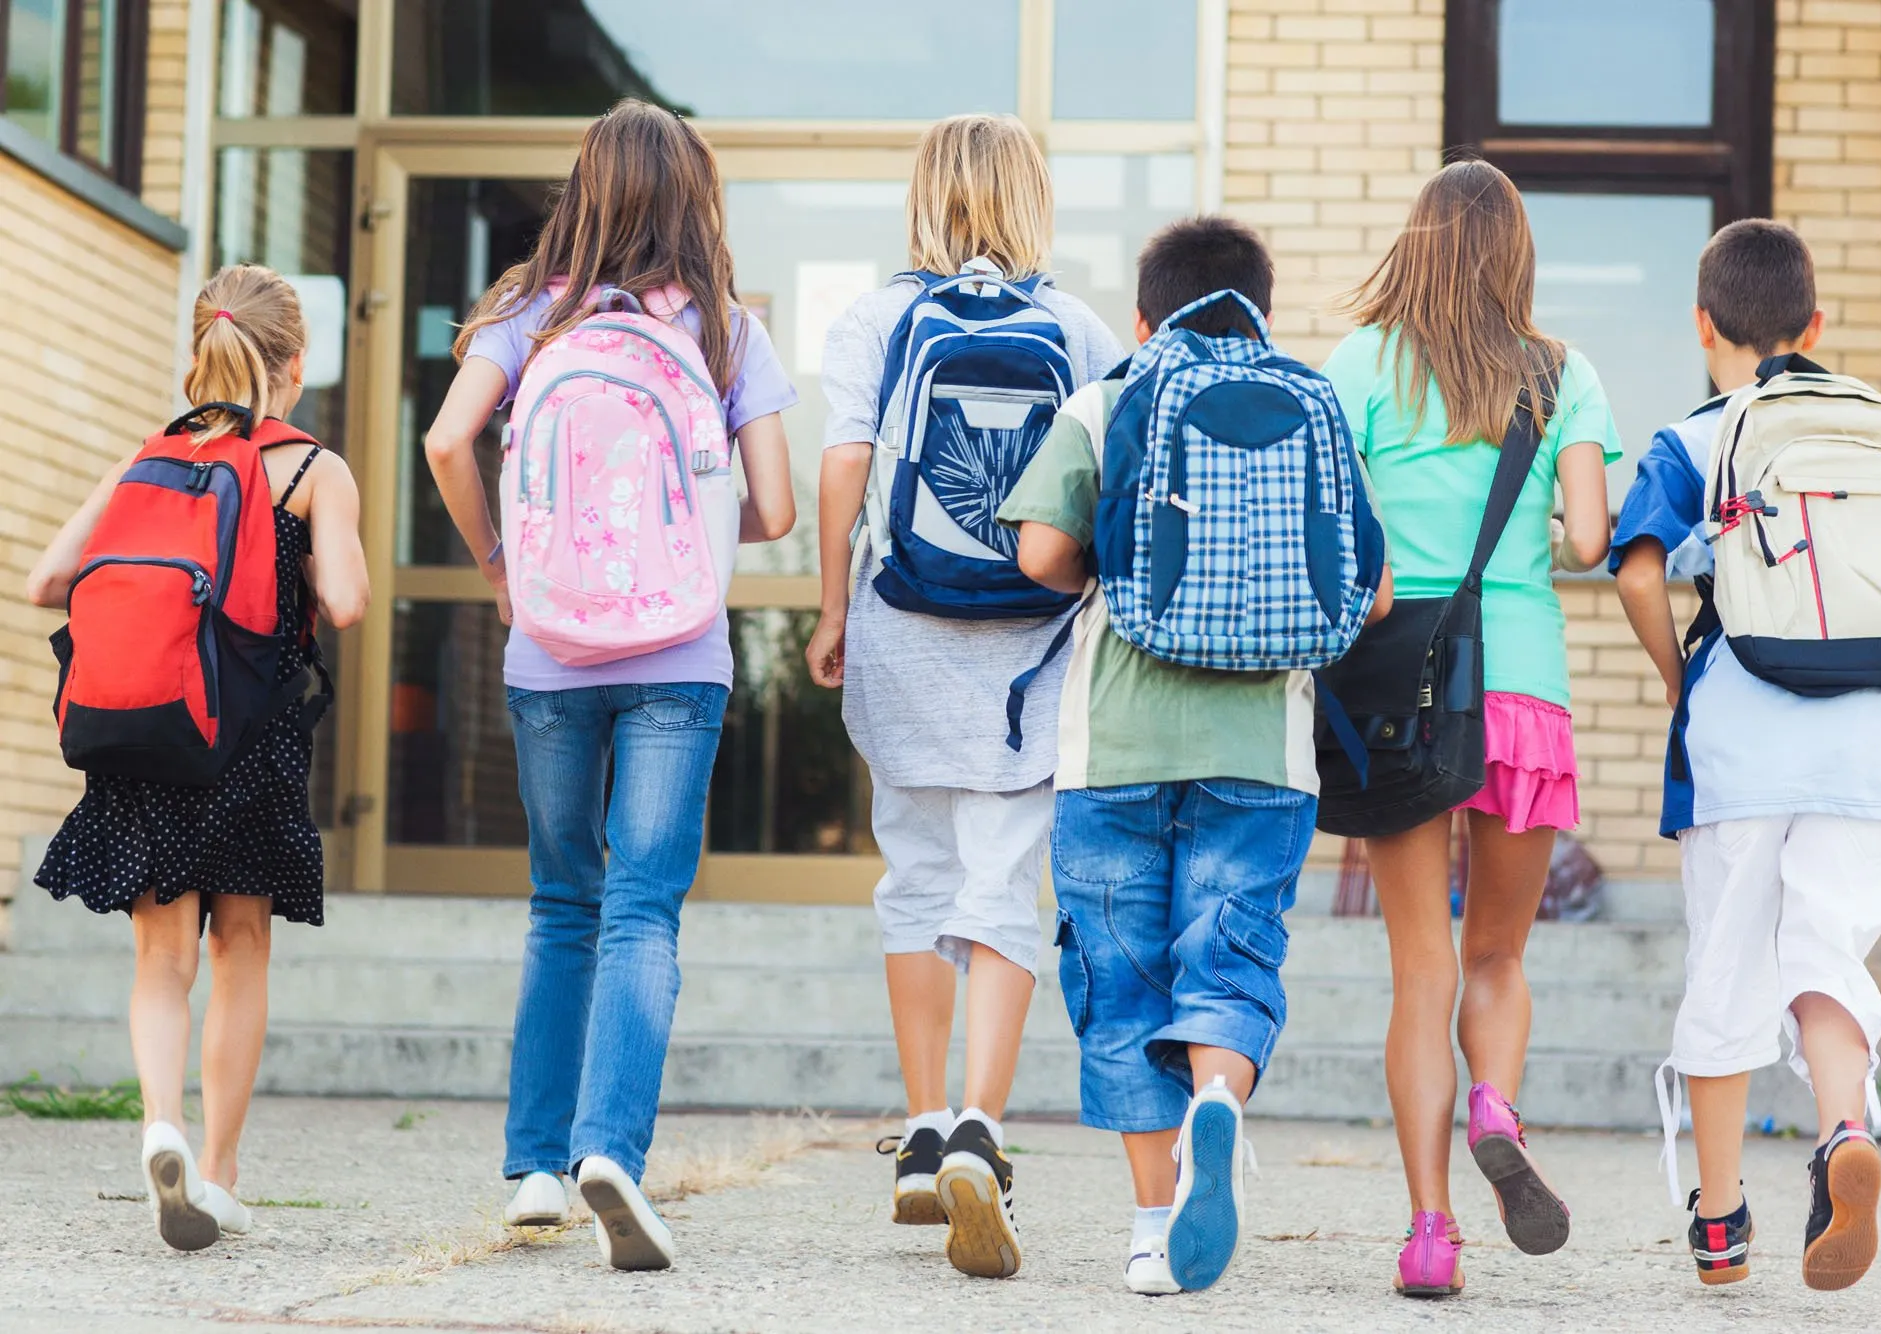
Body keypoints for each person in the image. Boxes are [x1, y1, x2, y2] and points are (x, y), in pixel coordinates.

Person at [424, 99, 797, 1271]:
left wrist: (499, 565)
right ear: (695, 196)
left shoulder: (526, 312)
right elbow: (779, 510)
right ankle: (610, 1155)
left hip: (546, 655)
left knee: (559, 901)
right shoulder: (729, 329)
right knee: (642, 905)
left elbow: (445, 442)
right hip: (677, 659)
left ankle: (535, 1164)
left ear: (581, 188)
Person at [998, 215, 1393, 1298]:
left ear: (1144, 312)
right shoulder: (1311, 401)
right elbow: (1373, 588)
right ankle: (1217, 1095)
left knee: (1120, 982)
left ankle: (1146, 1223)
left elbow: (1039, 550)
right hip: (1263, 748)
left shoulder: (1110, 397)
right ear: (1260, 304)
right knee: (1227, 958)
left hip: (1113, 745)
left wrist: (1109, 562)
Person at [1611, 218, 1881, 1291]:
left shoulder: (1690, 438)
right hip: (1862, 742)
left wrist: (1679, 677)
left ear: (1702, 327)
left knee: (1727, 966)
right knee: (1825, 959)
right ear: (1813, 323)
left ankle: (1724, 1221)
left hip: (1738, 733)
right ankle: (1838, 1134)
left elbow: (1637, 572)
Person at [806, 112, 1125, 1281]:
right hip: (1030, 649)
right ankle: (982, 1133)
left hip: (900, 623)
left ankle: (923, 1127)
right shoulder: (1079, 326)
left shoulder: (875, 317)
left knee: (913, 875)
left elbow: (844, 466)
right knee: (1002, 878)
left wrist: (831, 608)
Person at [1319, 159, 1618, 1296]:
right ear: (1515, 254)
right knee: (1497, 953)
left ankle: (1430, 1231)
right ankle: (1496, 1099)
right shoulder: (1562, 372)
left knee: (1418, 967)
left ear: (1417, 241)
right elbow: (1587, 539)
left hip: (1396, 690)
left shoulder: (1359, 363)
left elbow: (1338, 530)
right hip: (1523, 689)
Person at [28, 264, 370, 1251]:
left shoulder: (149, 459)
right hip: (249, 739)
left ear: (200, 351)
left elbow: (51, 577)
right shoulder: (309, 468)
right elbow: (342, 602)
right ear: (294, 363)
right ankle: (216, 1172)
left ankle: (158, 1127)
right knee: (239, 948)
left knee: (160, 957)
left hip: (147, 728)